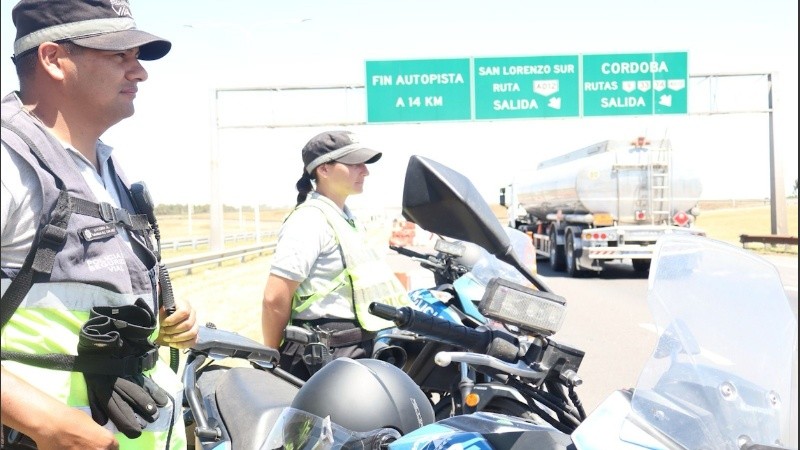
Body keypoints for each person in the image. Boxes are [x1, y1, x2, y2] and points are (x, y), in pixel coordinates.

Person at [0, 1, 198, 449]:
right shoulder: (8, 161)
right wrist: (46, 423)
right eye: (119, 55)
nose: (140, 72)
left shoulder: (108, 169)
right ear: (53, 58)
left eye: (137, 57)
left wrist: (160, 318)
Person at [261, 130, 413, 380]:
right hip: (324, 357)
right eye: (355, 164)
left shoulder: (345, 218)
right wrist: (270, 356)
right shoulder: (309, 220)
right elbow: (274, 297)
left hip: (354, 348)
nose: (365, 171)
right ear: (324, 169)